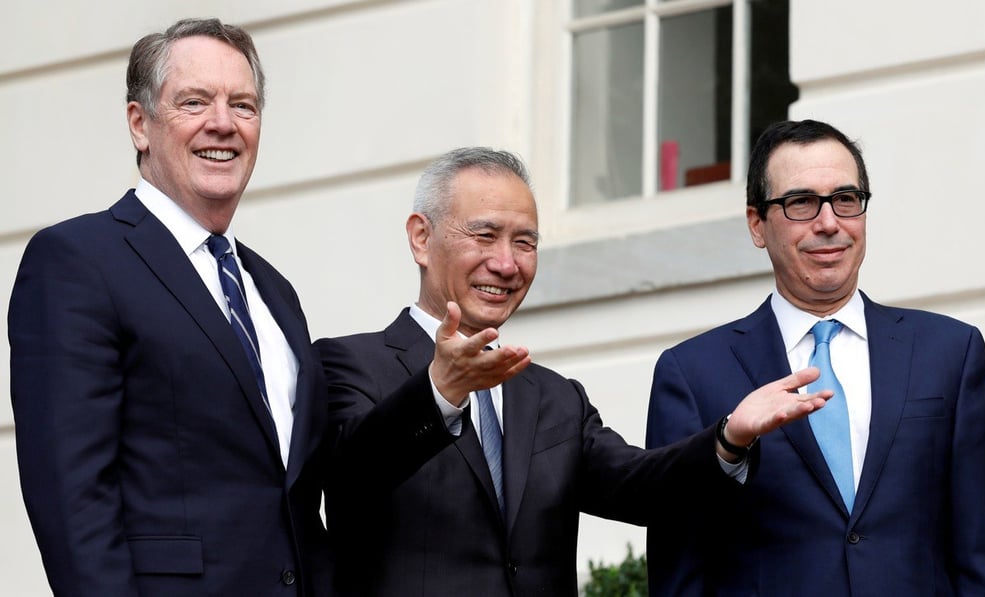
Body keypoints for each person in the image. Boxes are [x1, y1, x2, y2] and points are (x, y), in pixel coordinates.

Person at [314, 147, 832, 596]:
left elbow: (640, 487)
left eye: (525, 242)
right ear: (421, 239)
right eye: (485, 235)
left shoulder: (554, 398)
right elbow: (350, 479)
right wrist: (440, 393)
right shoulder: (348, 364)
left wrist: (729, 438)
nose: (506, 263)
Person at [8, 18, 332, 595]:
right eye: (194, 101)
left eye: (244, 105)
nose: (223, 124)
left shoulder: (274, 292)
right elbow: (72, 498)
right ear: (140, 124)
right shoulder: (77, 261)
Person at [645, 119, 985, 596]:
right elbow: (680, 571)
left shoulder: (949, 351)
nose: (829, 222)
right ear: (757, 224)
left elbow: (982, 556)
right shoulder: (692, 374)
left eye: (846, 199)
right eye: (801, 202)